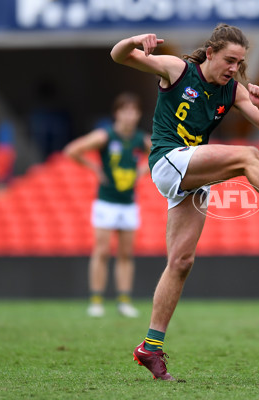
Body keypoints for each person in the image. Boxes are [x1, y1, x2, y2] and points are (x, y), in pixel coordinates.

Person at [111, 24, 259, 381]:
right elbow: (119, 55)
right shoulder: (179, 70)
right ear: (210, 53)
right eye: (229, 60)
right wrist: (135, 40)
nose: (234, 69)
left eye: (240, 63)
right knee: (248, 156)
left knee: (181, 261)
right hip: (168, 160)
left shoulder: (233, 90)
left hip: (192, 169)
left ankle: (150, 346)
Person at [64, 92, 152, 318]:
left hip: (128, 203)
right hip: (106, 201)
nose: (129, 115)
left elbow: (159, 155)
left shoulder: (140, 139)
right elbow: (73, 150)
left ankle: (124, 300)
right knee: (101, 251)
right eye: (125, 110)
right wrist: (94, 168)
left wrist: (141, 171)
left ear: (138, 114)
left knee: (125, 254)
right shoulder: (105, 136)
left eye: (133, 111)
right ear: (117, 113)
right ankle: (96, 299)